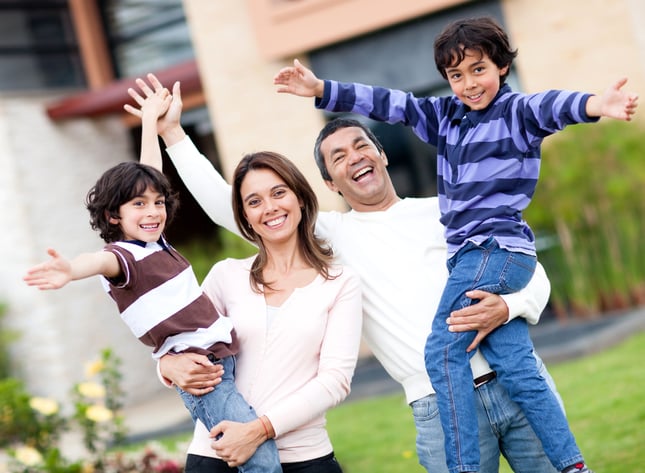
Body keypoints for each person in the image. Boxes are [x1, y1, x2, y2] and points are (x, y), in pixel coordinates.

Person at [128, 74, 565, 473]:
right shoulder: (333, 236)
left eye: (362, 146)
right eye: (338, 157)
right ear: (331, 184)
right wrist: (173, 134)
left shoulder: (446, 212)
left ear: (382, 157)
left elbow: (530, 268)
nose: (354, 157)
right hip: (436, 402)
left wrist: (509, 306)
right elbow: (235, 206)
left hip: (516, 383)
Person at [274, 16, 638, 473]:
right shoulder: (445, 118)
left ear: (502, 67)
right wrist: (323, 90)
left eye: (479, 69)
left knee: (441, 350)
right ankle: (571, 465)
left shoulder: (516, 113)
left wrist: (595, 105)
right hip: (487, 256)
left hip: (492, 250)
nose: (469, 84)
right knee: (517, 364)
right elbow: (393, 104)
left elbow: (553, 106)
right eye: (456, 75)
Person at [23, 83, 282, 473]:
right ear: (114, 216)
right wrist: (70, 270)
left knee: (255, 456)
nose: (153, 210)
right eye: (139, 204)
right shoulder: (122, 257)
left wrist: (148, 122)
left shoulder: (154, 243)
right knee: (260, 462)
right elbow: (96, 262)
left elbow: (152, 172)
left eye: (158, 203)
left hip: (220, 362)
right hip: (201, 375)